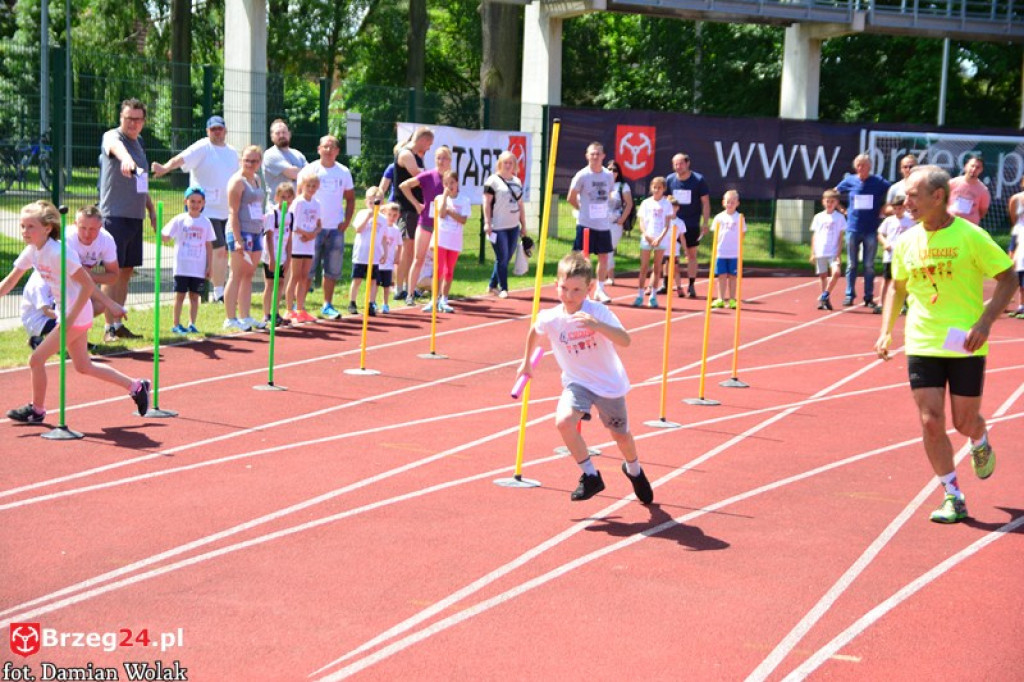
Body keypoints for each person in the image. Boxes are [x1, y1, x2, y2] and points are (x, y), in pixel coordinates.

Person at [875, 165, 1016, 524]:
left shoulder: (971, 236)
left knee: (964, 421)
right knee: (931, 420)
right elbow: (898, 286)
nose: (905, 202)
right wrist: (886, 331)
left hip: (965, 342)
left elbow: (1008, 277)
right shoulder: (907, 240)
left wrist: (985, 322)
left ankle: (979, 438)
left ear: (938, 197)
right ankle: (952, 494)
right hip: (922, 340)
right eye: (905, 195)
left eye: (913, 195)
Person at [516, 252, 653, 504]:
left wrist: (597, 326)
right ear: (556, 285)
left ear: (590, 288)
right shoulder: (552, 317)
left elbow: (626, 340)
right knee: (564, 422)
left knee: (621, 436)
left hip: (608, 384)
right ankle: (591, 475)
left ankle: (634, 469)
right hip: (577, 382)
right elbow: (534, 332)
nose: (569, 296)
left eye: (577, 290)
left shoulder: (598, 312)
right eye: (564, 288)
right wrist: (526, 363)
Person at [0, 201, 150, 423]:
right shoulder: (33, 250)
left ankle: (37, 410)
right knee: (84, 366)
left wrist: (70, 318)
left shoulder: (58, 252)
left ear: (47, 228)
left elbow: (88, 285)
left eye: (30, 226)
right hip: (67, 312)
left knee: (36, 359)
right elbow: (11, 280)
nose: (24, 231)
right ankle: (136, 386)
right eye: (22, 226)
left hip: (76, 314)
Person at [151, 115, 238, 303]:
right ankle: (218, 292)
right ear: (207, 131)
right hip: (207, 211)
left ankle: (212, 289)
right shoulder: (202, 147)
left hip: (227, 211)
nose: (217, 132)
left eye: (219, 128)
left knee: (222, 251)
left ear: (225, 130)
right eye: (213, 129)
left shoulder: (232, 152)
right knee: (220, 250)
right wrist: (165, 168)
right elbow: (181, 159)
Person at [98, 97, 157, 342]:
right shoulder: (112, 137)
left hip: (135, 216)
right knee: (112, 272)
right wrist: (125, 159)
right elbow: (116, 149)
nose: (132, 123)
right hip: (115, 215)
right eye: (128, 118)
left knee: (126, 271)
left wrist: (151, 209)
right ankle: (109, 327)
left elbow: (141, 181)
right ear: (121, 118)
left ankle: (118, 323)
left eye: (137, 119)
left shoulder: (139, 143)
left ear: (143, 122)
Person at [300, 135, 355, 319]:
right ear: (319, 149)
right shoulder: (310, 169)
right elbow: (300, 197)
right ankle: (301, 307)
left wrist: (346, 221)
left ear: (338, 151)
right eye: (325, 147)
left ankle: (327, 304)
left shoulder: (343, 172)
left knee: (332, 269)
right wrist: (304, 225)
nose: (329, 150)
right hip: (312, 229)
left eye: (333, 147)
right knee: (307, 269)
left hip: (335, 228)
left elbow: (350, 198)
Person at [400, 145, 453, 306]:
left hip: (443, 226)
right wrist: (417, 204)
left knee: (441, 262)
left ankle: (438, 297)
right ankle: (409, 294)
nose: (441, 161)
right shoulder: (428, 175)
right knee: (418, 258)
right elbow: (404, 186)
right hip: (425, 223)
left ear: (450, 160)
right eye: (438, 157)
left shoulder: (452, 179)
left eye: (444, 158)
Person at [836, 153, 890, 310]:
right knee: (852, 264)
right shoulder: (850, 180)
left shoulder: (878, 181)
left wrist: (884, 208)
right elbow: (833, 193)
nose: (861, 168)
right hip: (853, 228)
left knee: (869, 265)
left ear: (870, 166)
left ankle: (868, 297)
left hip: (871, 229)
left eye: (864, 165)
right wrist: (842, 209)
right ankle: (849, 295)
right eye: (858, 165)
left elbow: (893, 191)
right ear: (855, 167)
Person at [223, 145, 266, 332]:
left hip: (256, 231)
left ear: (259, 162)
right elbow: (233, 212)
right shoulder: (237, 182)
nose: (250, 164)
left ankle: (245, 316)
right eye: (247, 160)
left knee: (249, 275)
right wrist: (238, 239)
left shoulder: (256, 179)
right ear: (241, 160)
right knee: (237, 274)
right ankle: (230, 318)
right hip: (241, 232)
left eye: (254, 160)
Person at [161, 186, 215, 335]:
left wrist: (209, 266)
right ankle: (176, 324)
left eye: (198, 202)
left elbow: (209, 245)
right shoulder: (180, 219)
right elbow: (166, 236)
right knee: (179, 295)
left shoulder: (206, 222)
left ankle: (192, 323)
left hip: (197, 267)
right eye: (192, 201)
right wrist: (160, 231)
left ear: (203, 203)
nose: (195, 205)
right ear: (186, 201)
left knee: (194, 296)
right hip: (182, 267)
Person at [568, 142, 615, 303]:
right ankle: (583, 290)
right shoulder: (582, 175)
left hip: (603, 224)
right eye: (592, 154)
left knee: (604, 257)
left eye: (598, 154)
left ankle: (600, 290)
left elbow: (608, 193)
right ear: (587, 156)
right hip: (586, 224)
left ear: (603, 156)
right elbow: (570, 197)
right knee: (584, 259)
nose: (595, 156)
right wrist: (582, 210)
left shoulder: (608, 175)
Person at [393, 127, 434, 302]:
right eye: (429, 144)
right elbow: (418, 176)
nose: (429, 148)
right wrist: (435, 177)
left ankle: (410, 286)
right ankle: (399, 288)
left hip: (416, 207)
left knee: (413, 251)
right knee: (407, 249)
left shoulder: (417, 155)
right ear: (423, 140)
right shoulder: (406, 155)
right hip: (407, 207)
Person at [67, 205, 121, 332]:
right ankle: (54, 332)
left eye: (92, 229)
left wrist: (90, 275)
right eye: (83, 228)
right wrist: (83, 274)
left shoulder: (106, 240)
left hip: (81, 284)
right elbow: (71, 274)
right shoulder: (67, 239)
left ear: (100, 226)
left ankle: (74, 333)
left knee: (99, 305)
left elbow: (113, 276)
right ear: (75, 224)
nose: (87, 234)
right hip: (56, 283)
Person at [422, 170, 469, 313]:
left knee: (449, 270)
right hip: (441, 238)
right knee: (438, 269)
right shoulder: (439, 199)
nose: (450, 186)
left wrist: (451, 212)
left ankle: (444, 299)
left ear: (457, 183)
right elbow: (441, 214)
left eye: (452, 183)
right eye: (447, 183)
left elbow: (463, 220)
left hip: (454, 240)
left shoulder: (464, 200)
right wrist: (445, 198)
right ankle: (433, 299)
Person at [666, 152, 711, 299]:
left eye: (681, 163)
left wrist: (705, 222)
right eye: (675, 164)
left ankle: (691, 285)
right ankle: (666, 284)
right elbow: (666, 201)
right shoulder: (670, 179)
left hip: (691, 224)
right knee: (668, 256)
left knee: (691, 255)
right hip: (673, 225)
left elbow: (705, 202)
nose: (678, 167)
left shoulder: (698, 180)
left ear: (687, 163)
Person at [482, 150, 526, 299]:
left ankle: (492, 285)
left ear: (514, 165)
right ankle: (504, 288)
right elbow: (486, 203)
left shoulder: (517, 181)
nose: (508, 165)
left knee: (506, 258)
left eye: (510, 163)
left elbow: (521, 205)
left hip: (513, 226)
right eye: (505, 162)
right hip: (498, 226)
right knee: (502, 256)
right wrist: (487, 223)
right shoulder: (492, 181)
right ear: (500, 164)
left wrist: (523, 225)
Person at [284, 173, 322, 323]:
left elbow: (319, 223)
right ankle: (289, 309)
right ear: (303, 186)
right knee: (295, 276)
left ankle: (300, 308)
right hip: (297, 243)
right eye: (308, 186)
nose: (311, 189)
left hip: (309, 244)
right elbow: (292, 223)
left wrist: (314, 234)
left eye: (314, 186)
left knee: (304, 277)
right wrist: (306, 233)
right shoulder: (298, 203)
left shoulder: (317, 204)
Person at [634, 176, 672, 308]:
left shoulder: (667, 204)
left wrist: (659, 239)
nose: (656, 190)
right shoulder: (646, 203)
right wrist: (648, 237)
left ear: (663, 189)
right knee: (644, 267)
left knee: (657, 268)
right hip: (647, 239)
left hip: (660, 239)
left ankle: (653, 296)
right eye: (654, 187)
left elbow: (667, 224)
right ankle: (639, 295)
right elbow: (642, 223)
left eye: (659, 188)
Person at [347, 187, 387, 315]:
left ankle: (371, 303)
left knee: (373, 281)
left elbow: (384, 238)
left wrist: (385, 252)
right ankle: (352, 302)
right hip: (361, 254)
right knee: (357, 279)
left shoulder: (383, 219)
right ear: (366, 202)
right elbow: (358, 229)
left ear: (382, 203)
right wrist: (368, 217)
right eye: (371, 202)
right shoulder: (362, 214)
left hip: (374, 255)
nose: (374, 205)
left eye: (377, 202)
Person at [261, 182, 296, 328]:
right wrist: (271, 258)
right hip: (271, 254)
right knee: (270, 284)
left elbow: (288, 239)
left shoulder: (290, 216)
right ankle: (266, 314)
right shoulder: (272, 214)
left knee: (280, 283)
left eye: (288, 197)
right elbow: (269, 237)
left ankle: (276, 312)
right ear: (276, 197)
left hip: (282, 255)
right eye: (282, 197)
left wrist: (288, 258)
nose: (285, 200)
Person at [876, 193, 915, 316]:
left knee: (904, 280)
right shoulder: (889, 220)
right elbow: (880, 234)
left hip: (904, 256)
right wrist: (885, 243)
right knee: (887, 280)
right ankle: (881, 304)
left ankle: (905, 304)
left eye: (900, 208)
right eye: (895, 208)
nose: (897, 211)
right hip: (890, 255)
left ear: (904, 208)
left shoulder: (910, 220)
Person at [808, 189, 847, 311]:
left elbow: (841, 237)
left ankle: (825, 294)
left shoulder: (840, 218)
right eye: (827, 201)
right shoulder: (818, 217)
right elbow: (814, 235)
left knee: (836, 273)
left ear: (836, 203)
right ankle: (824, 300)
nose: (829, 204)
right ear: (823, 202)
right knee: (823, 275)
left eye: (832, 201)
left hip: (833, 251)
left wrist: (839, 253)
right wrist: (813, 252)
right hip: (821, 250)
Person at [709, 190, 746, 309]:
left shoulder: (739, 217)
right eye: (728, 202)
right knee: (721, 276)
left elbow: (743, 233)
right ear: (723, 203)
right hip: (720, 251)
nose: (730, 204)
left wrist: (738, 245)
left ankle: (732, 299)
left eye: (733, 202)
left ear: (737, 203)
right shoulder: (719, 217)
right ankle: (720, 298)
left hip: (734, 252)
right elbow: (715, 234)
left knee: (733, 276)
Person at [262, 119, 307, 202]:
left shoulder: (298, 154)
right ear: (272, 137)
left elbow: (310, 175)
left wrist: (300, 172)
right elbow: (293, 174)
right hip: (278, 207)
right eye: (277, 133)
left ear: (289, 134)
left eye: (284, 132)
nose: (281, 135)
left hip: (296, 205)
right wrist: (302, 172)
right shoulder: (270, 154)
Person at [370, 202, 403, 315]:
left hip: (389, 263)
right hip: (378, 261)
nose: (392, 217)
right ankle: (372, 302)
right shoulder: (381, 226)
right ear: (384, 213)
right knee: (375, 283)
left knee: (386, 285)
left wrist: (398, 256)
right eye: (390, 214)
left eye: (395, 215)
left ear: (398, 215)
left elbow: (399, 244)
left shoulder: (396, 229)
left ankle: (385, 304)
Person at [606, 160, 634, 285]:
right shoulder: (601, 184)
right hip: (600, 223)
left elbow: (629, 204)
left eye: (615, 170)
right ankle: (605, 277)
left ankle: (610, 277)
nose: (612, 172)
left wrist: (622, 219)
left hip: (615, 223)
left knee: (609, 249)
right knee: (603, 251)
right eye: (610, 169)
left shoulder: (622, 186)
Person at [947, 154, 991, 227]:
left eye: (977, 167)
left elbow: (983, 211)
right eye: (972, 166)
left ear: (981, 170)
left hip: (969, 227)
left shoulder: (983, 191)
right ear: (966, 166)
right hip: (949, 224)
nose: (974, 169)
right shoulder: (952, 183)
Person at [20, 271, 56, 350]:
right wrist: (70, 316)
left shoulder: (49, 277)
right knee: (71, 323)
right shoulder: (39, 285)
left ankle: (38, 340)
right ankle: (36, 339)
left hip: (45, 316)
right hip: (38, 322)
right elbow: (47, 312)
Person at [1008, 178, 1024, 318]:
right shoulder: (1016, 199)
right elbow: (1013, 218)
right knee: (1015, 268)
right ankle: (1020, 305)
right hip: (1019, 234)